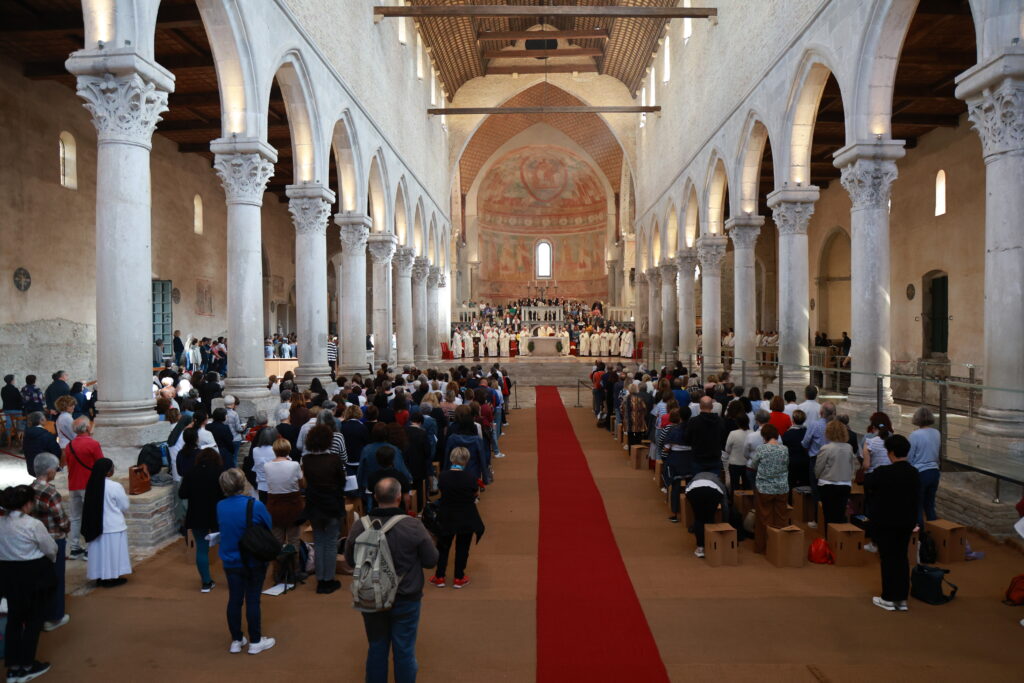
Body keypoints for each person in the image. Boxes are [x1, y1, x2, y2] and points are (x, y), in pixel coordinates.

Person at [344, 478, 439, 683]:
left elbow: (351, 560)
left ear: (375, 497)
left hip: (371, 595)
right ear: (399, 497)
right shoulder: (413, 525)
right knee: (404, 649)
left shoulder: (361, 526)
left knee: (377, 647)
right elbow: (431, 560)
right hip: (406, 595)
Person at [0, 484, 58, 682]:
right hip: (34, 575)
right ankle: (28, 664)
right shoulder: (32, 524)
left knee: (15, 619)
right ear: (26, 504)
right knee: (33, 620)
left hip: (9, 575)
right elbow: (50, 549)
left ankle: (13, 667)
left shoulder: (1, 523)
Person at [216, 468, 276, 655]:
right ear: (243, 484)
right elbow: (268, 525)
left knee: (234, 599)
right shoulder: (254, 505)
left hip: (231, 560)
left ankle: (236, 639)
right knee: (252, 599)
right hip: (253, 559)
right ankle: (255, 641)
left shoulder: (220, 506)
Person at [866, 435, 920, 612]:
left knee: (888, 559)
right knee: (901, 558)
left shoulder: (883, 472)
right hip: (906, 521)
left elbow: (868, 483)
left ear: (891, 453)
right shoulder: (914, 473)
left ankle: (889, 597)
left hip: (886, 522)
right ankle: (901, 599)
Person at [429, 447, 485, 589]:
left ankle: (439, 576)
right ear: (466, 460)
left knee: (443, 546)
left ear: (451, 458)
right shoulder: (471, 478)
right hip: (466, 516)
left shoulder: (443, 476)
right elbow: (474, 494)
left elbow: (442, 492)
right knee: (462, 548)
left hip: (446, 515)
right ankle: (459, 577)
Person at [301, 424, 346, 594]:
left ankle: (321, 579)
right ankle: (328, 578)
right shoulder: (334, 459)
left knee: (319, 541)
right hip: (332, 503)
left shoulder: (307, 460)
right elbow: (341, 481)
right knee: (331, 542)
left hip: (315, 504)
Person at [29, 453, 70, 633]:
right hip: (53, 538)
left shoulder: (29, 489)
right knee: (56, 578)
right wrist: (68, 527)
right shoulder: (51, 492)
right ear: (49, 471)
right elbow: (61, 520)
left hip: (35, 541)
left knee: (39, 578)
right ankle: (55, 616)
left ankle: (40, 613)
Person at [178, 447, 225, 593]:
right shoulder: (220, 473)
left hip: (197, 514)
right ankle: (234, 579)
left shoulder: (190, 473)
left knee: (201, 549)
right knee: (228, 546)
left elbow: (182, 494)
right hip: (217, 514)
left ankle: (206, 582)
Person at [81, 458, 131, 587]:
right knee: (113, 554)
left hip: (96, 526)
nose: (113, 470)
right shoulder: (115, 486)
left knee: (100, 554)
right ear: (108, 472)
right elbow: (124, 505)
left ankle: (100, 576)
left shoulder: (91, 485)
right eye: (112, 468)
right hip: (113, 525)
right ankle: (112, 577)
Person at [264, 437, 305, 584]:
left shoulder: (267, 466)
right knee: (294, 540)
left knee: (276, 541)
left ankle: (277, 572)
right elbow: (302, 483)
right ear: (288, 450)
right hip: (292, 504)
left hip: (274, 505)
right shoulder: (294, 465)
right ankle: (294, 571)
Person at [65, 417, 103, 560]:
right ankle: (89, 549)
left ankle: (74, 548)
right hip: (89, 485)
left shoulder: (70, 445)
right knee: (91, 517)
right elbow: (101, 464)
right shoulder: (93, 444)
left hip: (73, 484)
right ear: (87, 428)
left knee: (75, 518)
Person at [814, 419, 860, 536]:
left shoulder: (826, 448)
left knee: (828, 515)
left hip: (827, 484)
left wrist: (818, 477)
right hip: (844, 484)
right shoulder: (848, 448)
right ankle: (839, 540)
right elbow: (854, 465)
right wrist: (850, 478)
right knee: (839, 514)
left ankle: (829, 540)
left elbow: (818, 468)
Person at [750, 424, 790, 554]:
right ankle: (780, 546)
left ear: (764, 436)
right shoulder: (784, 449)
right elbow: (787, 464)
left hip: (764, 488)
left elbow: (754, 464)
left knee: (763, 518)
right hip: (782, 488)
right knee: (781, 518)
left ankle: (762, 547)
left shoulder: (761, 449)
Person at [907, 406, 941, 525]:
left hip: (920, 472)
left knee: (918, 506)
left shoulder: (915, 435)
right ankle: (935, 533)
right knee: (930, 505)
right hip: (934, 471)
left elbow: (910, 456)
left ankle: (920, 537)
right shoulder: (937, 433)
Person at [684, 471, 728, 559]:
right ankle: (711, 545)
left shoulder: (695, 477)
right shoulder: (718, 481)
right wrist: (725, 523)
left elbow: (687, 490)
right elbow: (725, 505)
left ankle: (700, 548)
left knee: (699, 518)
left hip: (693, 491)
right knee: (710, 517)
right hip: (714, 492)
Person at [22, 411, 61, 478]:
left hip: (31, 467)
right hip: (46, 468)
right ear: (41, 420)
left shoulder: (26, 435)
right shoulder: (47, 435)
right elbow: (56, 452)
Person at [723, 403, 750, 496]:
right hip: (746, 459)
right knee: (746, 483)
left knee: (732, 482)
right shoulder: (750, 432)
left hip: (732, 458)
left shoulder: (727, 423)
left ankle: (734, 502)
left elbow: (727, 448)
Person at [782, 410, 810, 489]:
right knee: (805, 485)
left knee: (791, 485)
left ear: (792, 420)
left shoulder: (787, 434)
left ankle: (791, 501)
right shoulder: (806, 432)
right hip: (805, 461)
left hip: (792, 463)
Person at [2, 374, 23, 440]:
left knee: (9, 423)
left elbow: (3, 398)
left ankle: (8, 438)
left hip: (6, 409)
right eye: (13, 379)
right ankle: (19, 438)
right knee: (19, 423)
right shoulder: (15, 389)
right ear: (11, 381)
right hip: (16, 410)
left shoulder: (3, 389)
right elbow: (19, 399)